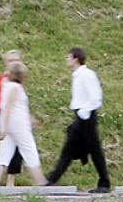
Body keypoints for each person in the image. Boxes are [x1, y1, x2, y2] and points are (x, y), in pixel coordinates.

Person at [47, 48, 111, 191]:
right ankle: (52, 178)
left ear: (76, 59)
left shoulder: (86, 75)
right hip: (81, 115)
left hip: (85, 116)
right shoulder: (78, 75)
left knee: (91, 150)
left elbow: (96, 97)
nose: (66, 60)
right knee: (72, 149)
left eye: (68, 57)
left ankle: (104, 182)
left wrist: (84, 112)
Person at [0, 64, 46, 188]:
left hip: (8, 124)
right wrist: (5, 128)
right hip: (19, 125)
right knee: (30, 151)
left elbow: (12, 107)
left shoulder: (6, 86)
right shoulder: (16, 88)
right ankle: (40, 181)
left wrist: (4, 128)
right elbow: (9, 108)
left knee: (4, 153)